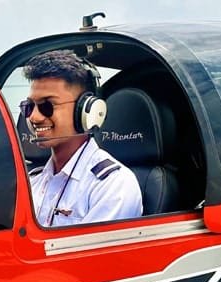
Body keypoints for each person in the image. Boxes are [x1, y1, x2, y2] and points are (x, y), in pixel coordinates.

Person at [21, 50, 142, 227]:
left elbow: (92, 255)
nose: (34, 117)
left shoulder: (112, 186)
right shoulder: (33, 182)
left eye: (47, 105)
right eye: (30, 107)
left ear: (87, 111)